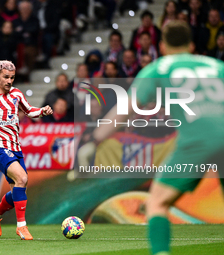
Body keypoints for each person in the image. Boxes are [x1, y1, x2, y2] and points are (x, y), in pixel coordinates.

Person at [90, 21, 224, 255]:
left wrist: (94, 139)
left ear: (161, 46)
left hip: (198, 140)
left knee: (157, 203)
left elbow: (125, 110)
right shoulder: (217, 65)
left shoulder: (158, 68)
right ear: (192, 45)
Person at [0, 60, 53, 240]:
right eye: (6, 77)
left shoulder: (16, 94)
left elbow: (29, 111)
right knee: (22, 178)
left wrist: (42, 111)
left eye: (12, 78)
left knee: (18, 191)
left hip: (16, 148)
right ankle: (21, 227)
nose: (9, 81)